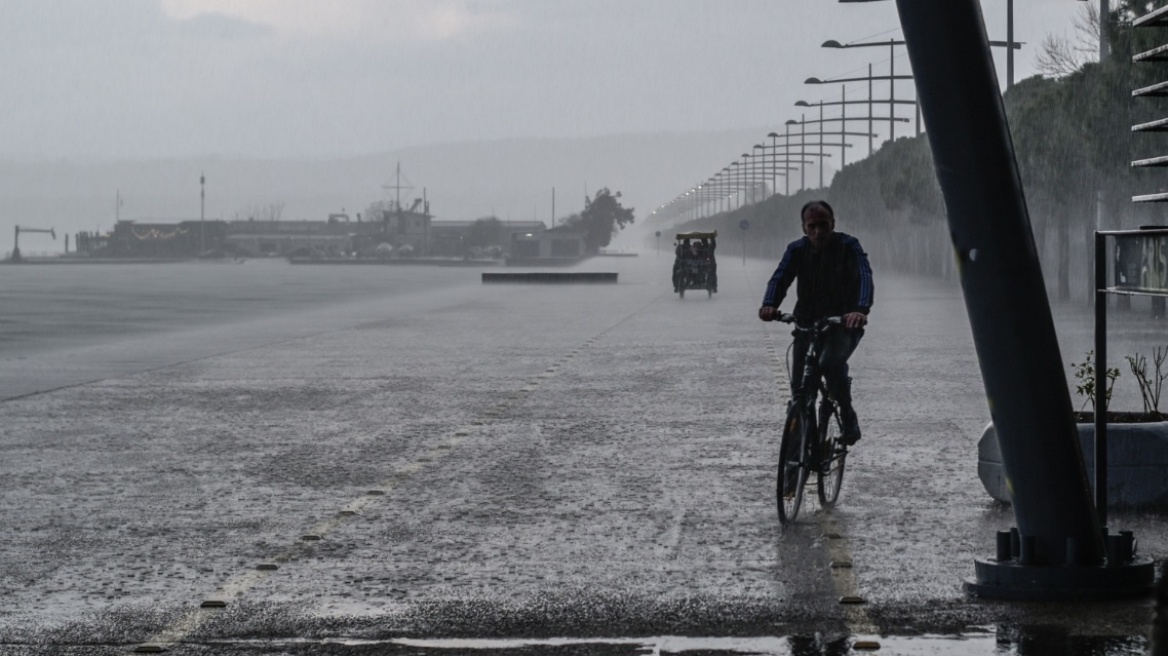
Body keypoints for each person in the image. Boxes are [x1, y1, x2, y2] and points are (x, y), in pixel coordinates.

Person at [758, 200, 873, 445]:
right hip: (805, 325)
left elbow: (864, 276)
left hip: (842, 324)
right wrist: (770, 304)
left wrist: (859, 310)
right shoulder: (796, 250)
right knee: (799, 390)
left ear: (833, 224)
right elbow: (780, 277)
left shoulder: (849, 247)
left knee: (830, 362)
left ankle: (847, 414)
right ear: (804, 228)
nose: (818, 232)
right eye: (812, 226)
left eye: (823, 225)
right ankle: (795, 459)